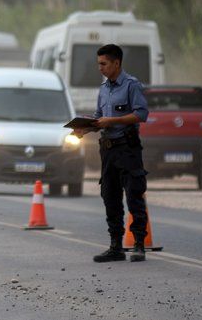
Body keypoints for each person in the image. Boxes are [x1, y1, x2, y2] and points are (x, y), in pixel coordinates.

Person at [73, 44, 150, 263]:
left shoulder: (131, 85)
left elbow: (141, 114)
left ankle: (138, 244)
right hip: (108, 150)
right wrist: (85, 128)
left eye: (103, 64)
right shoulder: (104, 88)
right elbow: (99, 118)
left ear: (117, 63)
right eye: (98, 64)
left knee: (134, 195)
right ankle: (115, 246)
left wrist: (113, 121)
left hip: (127, 148)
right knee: (110, 196)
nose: (100, 68)